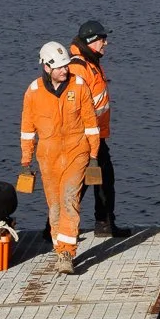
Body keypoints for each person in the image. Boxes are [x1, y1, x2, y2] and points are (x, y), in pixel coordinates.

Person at [17, 40, 103, 272]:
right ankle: (59, 248)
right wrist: (26, 161)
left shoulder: (79, 86)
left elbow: (90, 125)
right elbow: (27, 131)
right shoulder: (33, 92)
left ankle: (67, 253)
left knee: (69, 199)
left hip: (77, 151)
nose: (65, 70)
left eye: (66, 66)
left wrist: (93, 156)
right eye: (60, 67)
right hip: (48, 156)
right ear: (47, 67)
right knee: (54, 206)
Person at [68, 18, 127, 237]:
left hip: (96, 135)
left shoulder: (91, 63)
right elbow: (74, 104)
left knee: (100, 179)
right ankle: (55, 227)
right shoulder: (79, 67)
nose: (106, 43)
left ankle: (104, 224)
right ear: (92, 41)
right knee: (81, 182)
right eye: (103, 39)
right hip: (84, 136)